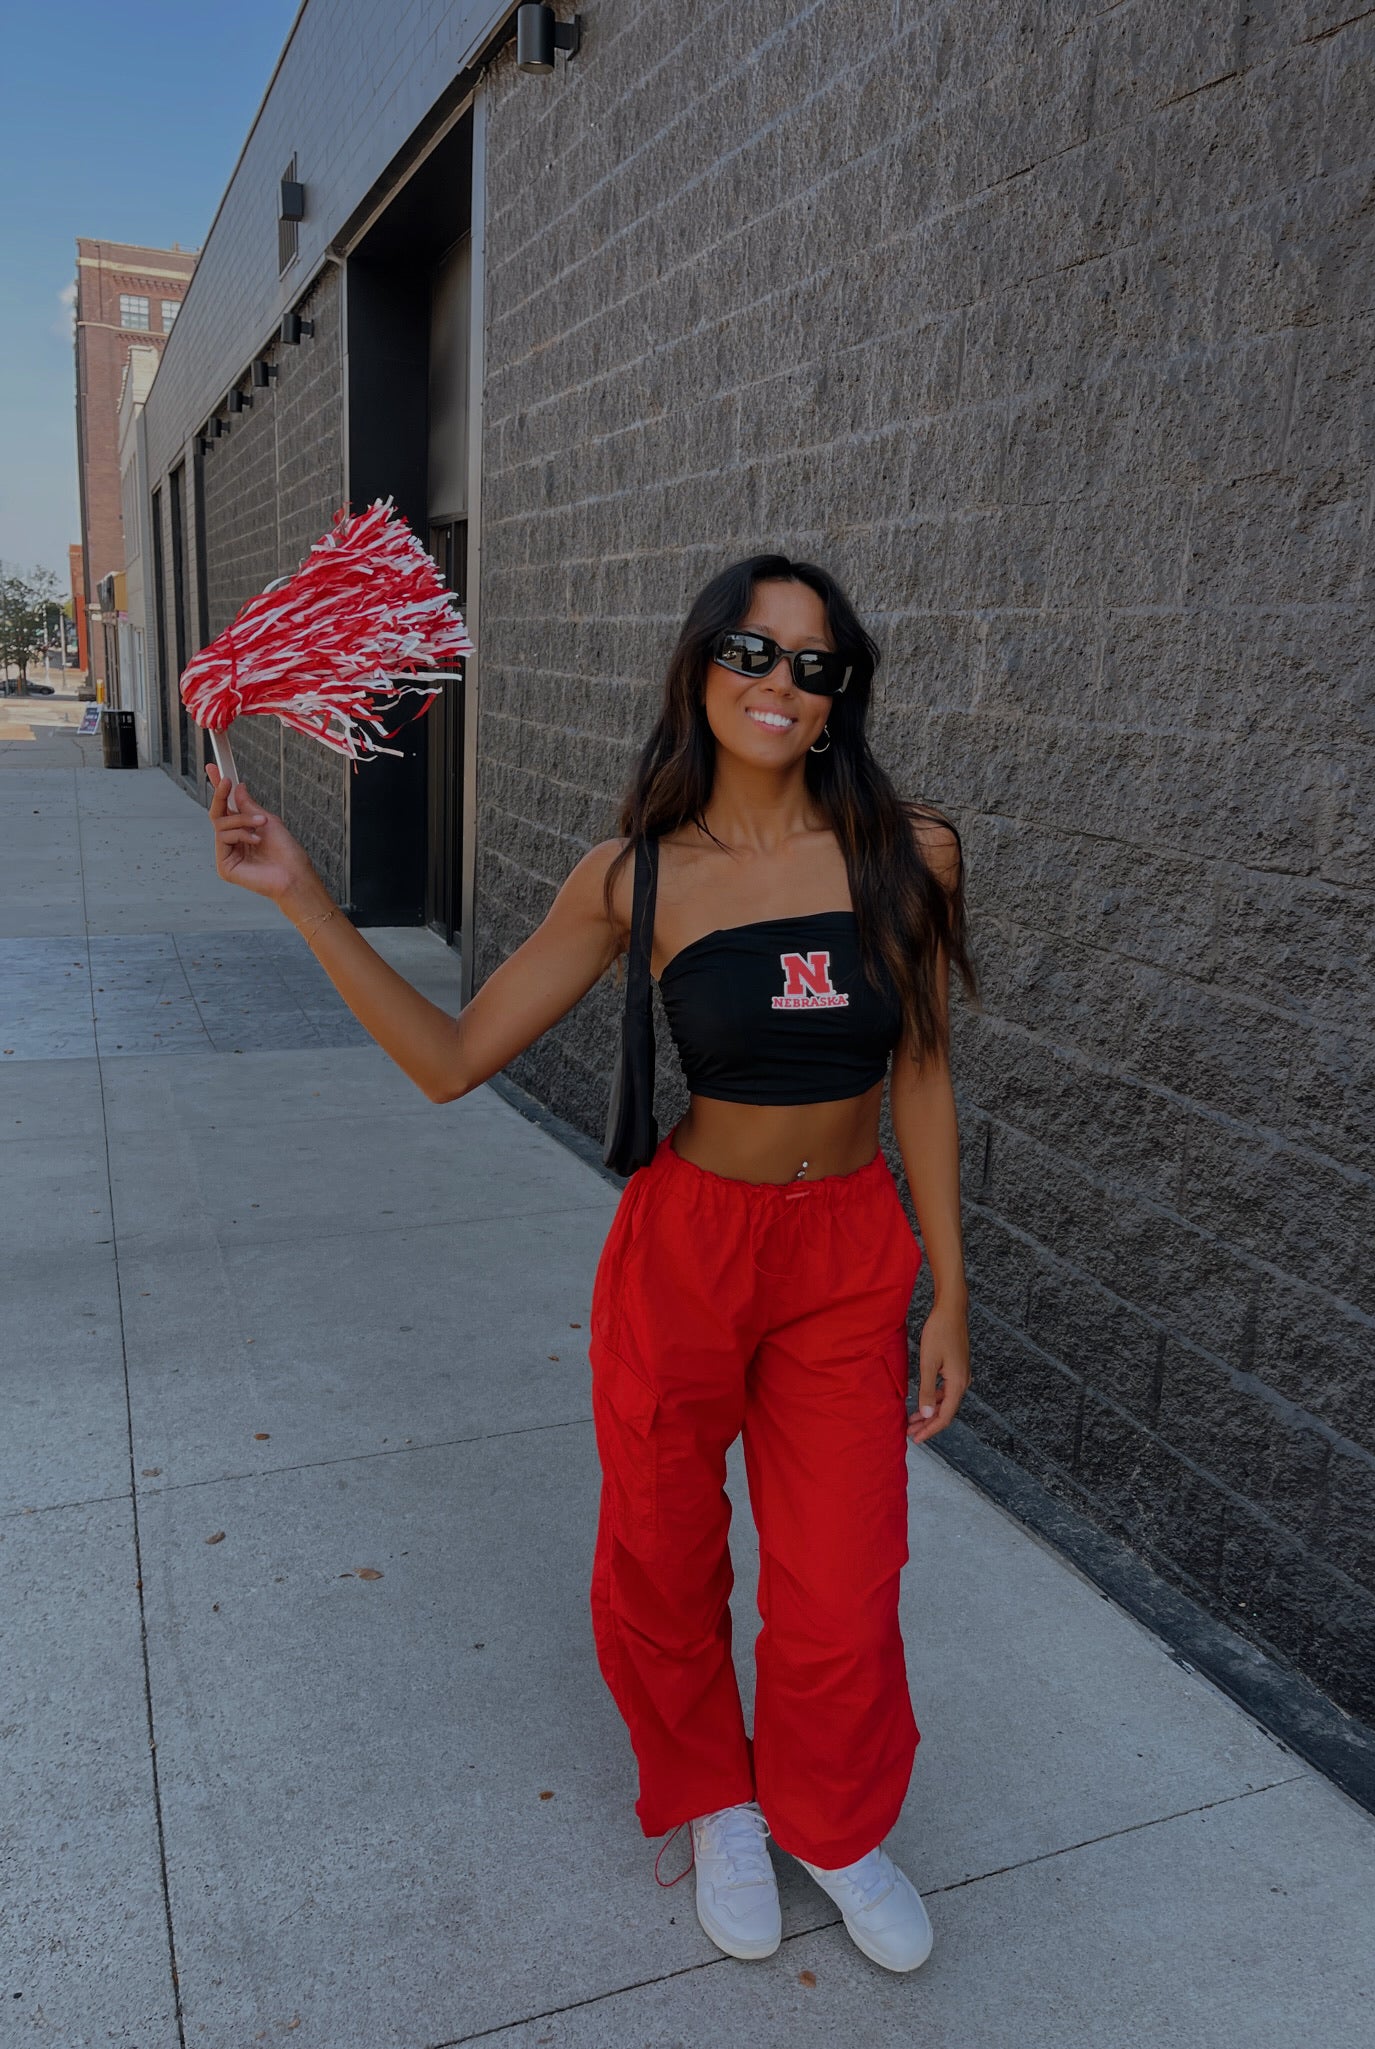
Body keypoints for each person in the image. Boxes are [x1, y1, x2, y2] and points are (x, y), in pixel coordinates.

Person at [204, 554, 977, 1973]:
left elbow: (920, 1068)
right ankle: (718, 1800)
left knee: (843, 1576)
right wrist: (307, 898)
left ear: (840, 695)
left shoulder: (908, 851)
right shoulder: (634, 877)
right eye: (754, 648)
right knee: (663, 1551)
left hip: (849, 1252)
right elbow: (450, 1061)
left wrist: (951, 1287)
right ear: (700, 664)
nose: (781, 682)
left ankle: (832, 1813)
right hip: (691, 1249)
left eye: (816, 663)